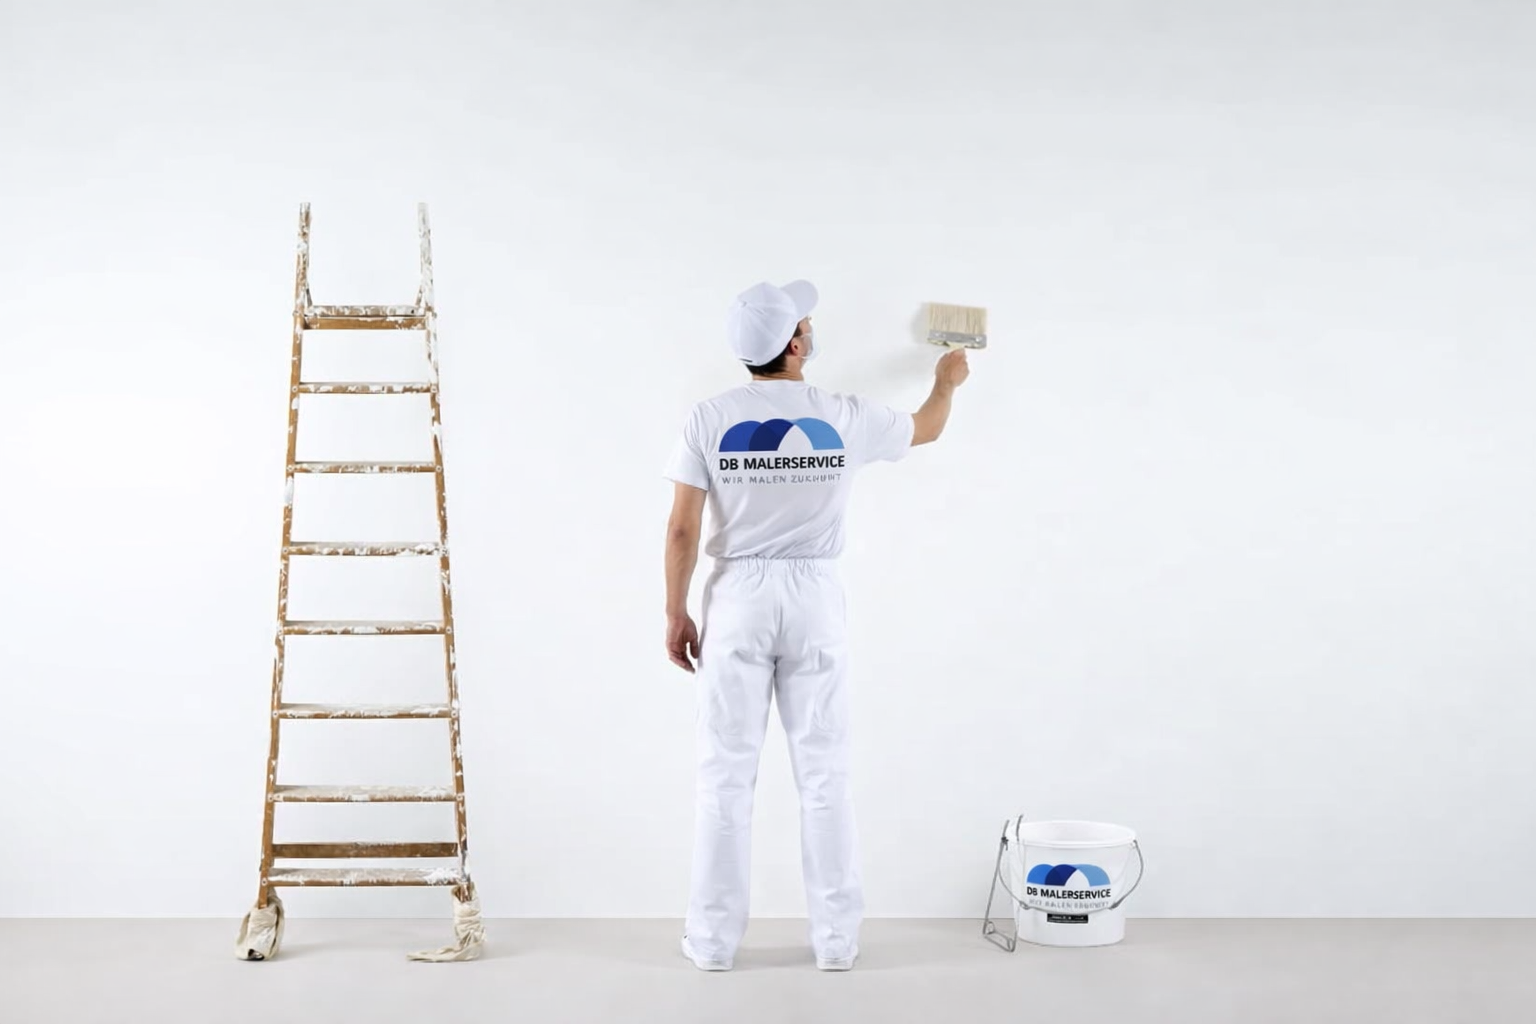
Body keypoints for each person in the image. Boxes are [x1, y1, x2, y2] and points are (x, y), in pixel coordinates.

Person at [662, 280, 971, 971]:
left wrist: (675, 610)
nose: (810, 329)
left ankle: (711, 944)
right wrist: (947, 381)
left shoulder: (707, 420)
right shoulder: (842, 415)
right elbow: (928, 426)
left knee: (725, 777)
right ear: (795, 344)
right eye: (805, 322)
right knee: (825, 776)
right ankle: (836, 943)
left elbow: (683, 528)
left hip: (736, 595)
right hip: (813, 596)